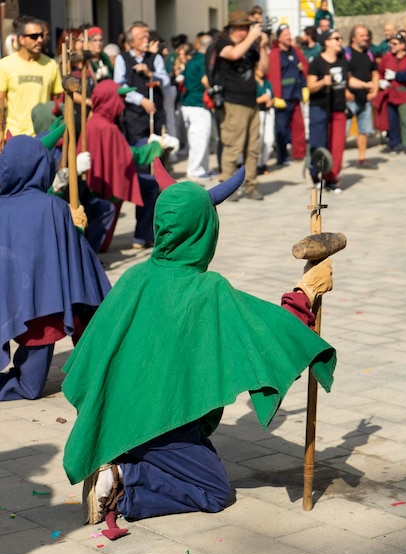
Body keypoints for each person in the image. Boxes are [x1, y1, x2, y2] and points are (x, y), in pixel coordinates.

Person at [61, 159, 336, 531]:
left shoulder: (133, 277)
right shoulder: (208, 290)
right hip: (160, 424)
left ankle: (121, 458)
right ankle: (123, 482)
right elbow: (265, 333)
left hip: (113, 414)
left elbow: (91, 357)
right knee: (215, 491)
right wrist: (305, 292)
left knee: (190, 451)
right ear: (204, 231)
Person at [0, 132, 111, 401]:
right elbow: (77, 264)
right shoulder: (54, 207)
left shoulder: (49, 207)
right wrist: (79, 231)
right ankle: (95, 364)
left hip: (25, 305)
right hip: (42, 307)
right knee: (30, 387)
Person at [80, 79, 166, 249]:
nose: (121, 103)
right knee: (150, 186)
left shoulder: (95, 121)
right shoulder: (106, 127)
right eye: (118, 98)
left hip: (105, 180)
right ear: (108, 100)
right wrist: (157, 146)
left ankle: (143, 236)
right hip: (106, 183)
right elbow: (130, 157)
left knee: (148, 185)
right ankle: (142, 237)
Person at [215, 10, 270, 201]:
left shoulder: (251, 45)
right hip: (233, 101)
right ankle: (227, 189)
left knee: (253, 148)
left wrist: (262, 47)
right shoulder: (223, 44)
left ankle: (251, 186)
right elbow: (234, 54)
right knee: (233, 146)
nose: (243, 31)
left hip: (251, 101)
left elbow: (263, 69)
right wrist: (253, 37)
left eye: (245, 28)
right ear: (231, 28)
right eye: (239, 28)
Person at [0, 15, 63, 148]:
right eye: (34, 36)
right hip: (15, 137)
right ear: (21, 39)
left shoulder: (51, 65)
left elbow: (57, 101)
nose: (40, 40)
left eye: (41, 35)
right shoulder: (5, 65)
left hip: (44, 137)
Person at [113, 21, 171, 145]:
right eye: (141, 38)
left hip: (155, 113)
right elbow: (120, 86)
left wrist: (150, 74)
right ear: (131, 42)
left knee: (157, 152)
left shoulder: (155, 58)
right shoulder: (122, 58)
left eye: (147, 36)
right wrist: (141, 101)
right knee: (139, 152)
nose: (146, 40)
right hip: (134, 115)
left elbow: (166, 81)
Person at [307, 29, 348, 193]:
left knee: (336, 147)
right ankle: (316, 174)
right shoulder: (316, 62)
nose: (339, 41)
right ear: (326, 42)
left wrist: (368, 87)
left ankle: (331, 179)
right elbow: (310, 86)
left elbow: (349, 80)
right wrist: (323, 82)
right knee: (319, 145)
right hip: (320, 108)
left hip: (338, 109)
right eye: (336, 38)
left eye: (340, 38)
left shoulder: (342, 60)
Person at [268, 24, 308, 166]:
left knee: (299, 127)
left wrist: (304, 86)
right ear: (278, 38)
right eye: (285, 34)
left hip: (295, 94)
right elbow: (272, 75)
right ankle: (282, 156)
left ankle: (299, 154)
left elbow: (303, 67)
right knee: (281, 129)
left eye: (289, 34)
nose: (288, 37)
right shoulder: (274, 54)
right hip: (282, 97)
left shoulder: (295, 52)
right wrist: (276, 96)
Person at [345, 25, 379, 169]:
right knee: (343, 131)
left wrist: (375, 91)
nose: (365, 38)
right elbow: (345, 76)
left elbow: (375, 73)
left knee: (363, 130)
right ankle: (335, 158)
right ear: (353, 38)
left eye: (366, 35)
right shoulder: (346, 54)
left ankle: (362, 158)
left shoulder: (369, 54)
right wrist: (346, 92)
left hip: (365, 98)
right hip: (349, 98)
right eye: (362, 35)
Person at [181, 34, 213, 181]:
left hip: (190, 103)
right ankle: (195, 170)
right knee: (199, 138)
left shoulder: (192, 59)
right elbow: (205, 80)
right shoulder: (202, 60)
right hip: (198, 104)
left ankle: (204, 168)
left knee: (200, 138)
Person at [378, 33, 406, 155]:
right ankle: (394, 143)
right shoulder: (387, 57)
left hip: (404, 93)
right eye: (390, 43)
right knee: (392, 121)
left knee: (405, 120)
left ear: (403, 45)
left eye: (394, 44)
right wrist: (380, 81)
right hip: (390, 94)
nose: (391, 46)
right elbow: (379, 72)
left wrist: (396, 75)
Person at [255, 64, 275, 174]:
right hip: (258, 112)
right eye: (259, 68)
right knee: (259, 140)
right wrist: (261, 99)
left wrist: (270, 101)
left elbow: (272, 96)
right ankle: (257, 165)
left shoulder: (267, 83)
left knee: (269, 140)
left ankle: (263, 163)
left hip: (268, 112)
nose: (261, 71)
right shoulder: (252, 83)